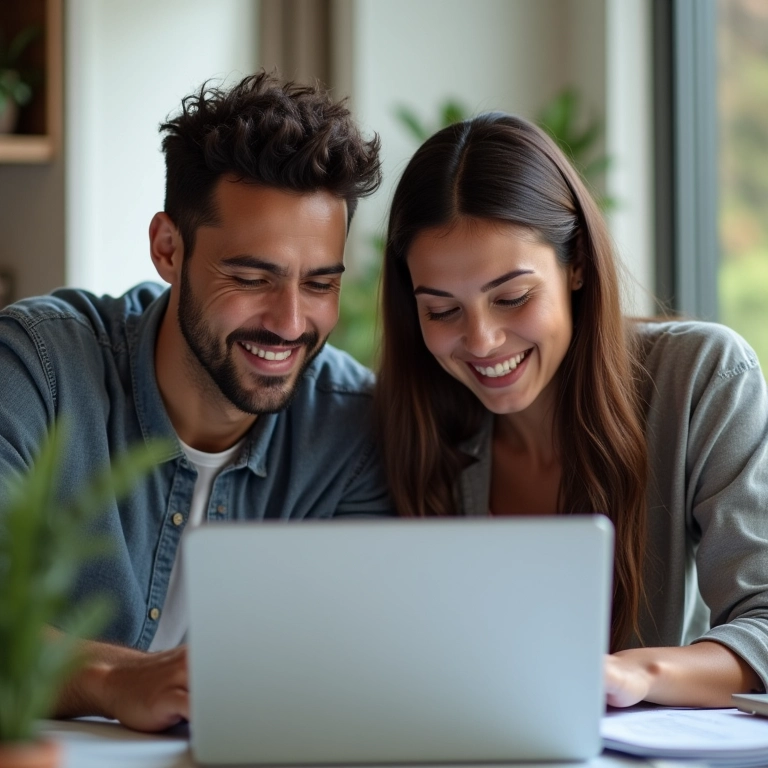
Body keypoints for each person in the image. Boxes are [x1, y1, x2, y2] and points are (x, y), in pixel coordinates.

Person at [0, 72, 389, 730]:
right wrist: (111, 681)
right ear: (168, 249)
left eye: (319, 284)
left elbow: (364, 662)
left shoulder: (351, 430)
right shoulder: (37, 368)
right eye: (251, 278)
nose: (291, 323)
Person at [375, 112, 768, 708]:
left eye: (512, 297)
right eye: (442, 311)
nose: (481, 341)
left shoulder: (700, 376)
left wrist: (635, 676)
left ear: (577, 263)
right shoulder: (409, 418)